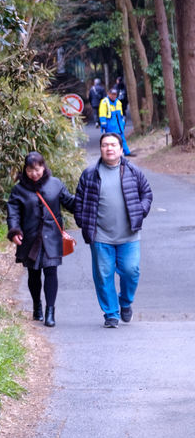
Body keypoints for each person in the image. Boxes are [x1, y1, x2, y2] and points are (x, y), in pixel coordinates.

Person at [71, 132, 153, 328]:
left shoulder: (133, 171)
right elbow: (79, 201)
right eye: (105, 145)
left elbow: (147, 194)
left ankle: (125, 302)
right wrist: (83, 221)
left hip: (129, 234)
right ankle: (111, 313)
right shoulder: (90, 174)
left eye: (113, 145)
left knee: (131, 271)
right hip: (100, 235)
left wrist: (140, 211)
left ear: (120, 148)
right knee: (103, 274)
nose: (109, 148)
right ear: (100, 149)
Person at [7, 151, 75, 328]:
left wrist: (86, 200)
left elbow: (69, 203)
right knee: (34, 274)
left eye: (37, 169)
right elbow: (13, 213)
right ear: (25, 170)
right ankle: (37, 304)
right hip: (30, 238)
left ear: (43, 167)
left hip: (52, 237)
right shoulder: (18, 189)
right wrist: (14, 231)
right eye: (30, 170)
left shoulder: (55, 184)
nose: (34, 174)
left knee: (51, 272)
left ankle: (50, 311)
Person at [98, 87, 132, 155]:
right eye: (112, 94)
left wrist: (123, 122)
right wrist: (103, 124)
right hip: (110, 125)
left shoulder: (118, 102)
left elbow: (121, 114)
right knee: (113, 140)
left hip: (119, 124)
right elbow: (102, 113)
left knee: (122, 139)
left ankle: (127, 152)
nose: (114, 96)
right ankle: (116, 153)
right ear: (109, 94)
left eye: (115, 94)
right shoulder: (105, 102)